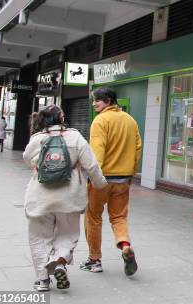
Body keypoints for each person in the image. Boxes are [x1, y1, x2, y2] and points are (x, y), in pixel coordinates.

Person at [23, 105, 107, 292]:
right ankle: (59, 261)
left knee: (38, 237)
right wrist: (101, 185)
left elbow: (27, 159)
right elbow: (91, 166)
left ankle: (43, 280)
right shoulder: (75, 137)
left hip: (40, 197)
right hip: (69, 197)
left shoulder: (37, 139)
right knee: (67, 234)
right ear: (61, 118)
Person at [80, 87, 142, 276]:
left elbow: (97, 152)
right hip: (123, 180)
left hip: (102, 179)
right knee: (119, 217)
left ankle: (94, 260)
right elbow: (138, 148)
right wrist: (130, 172)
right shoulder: (130, 120)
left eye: (96, 100)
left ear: (107, 101)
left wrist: (92, 177)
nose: (93, 104)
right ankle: (124, 246)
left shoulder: (100, 121)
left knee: (93, 217)